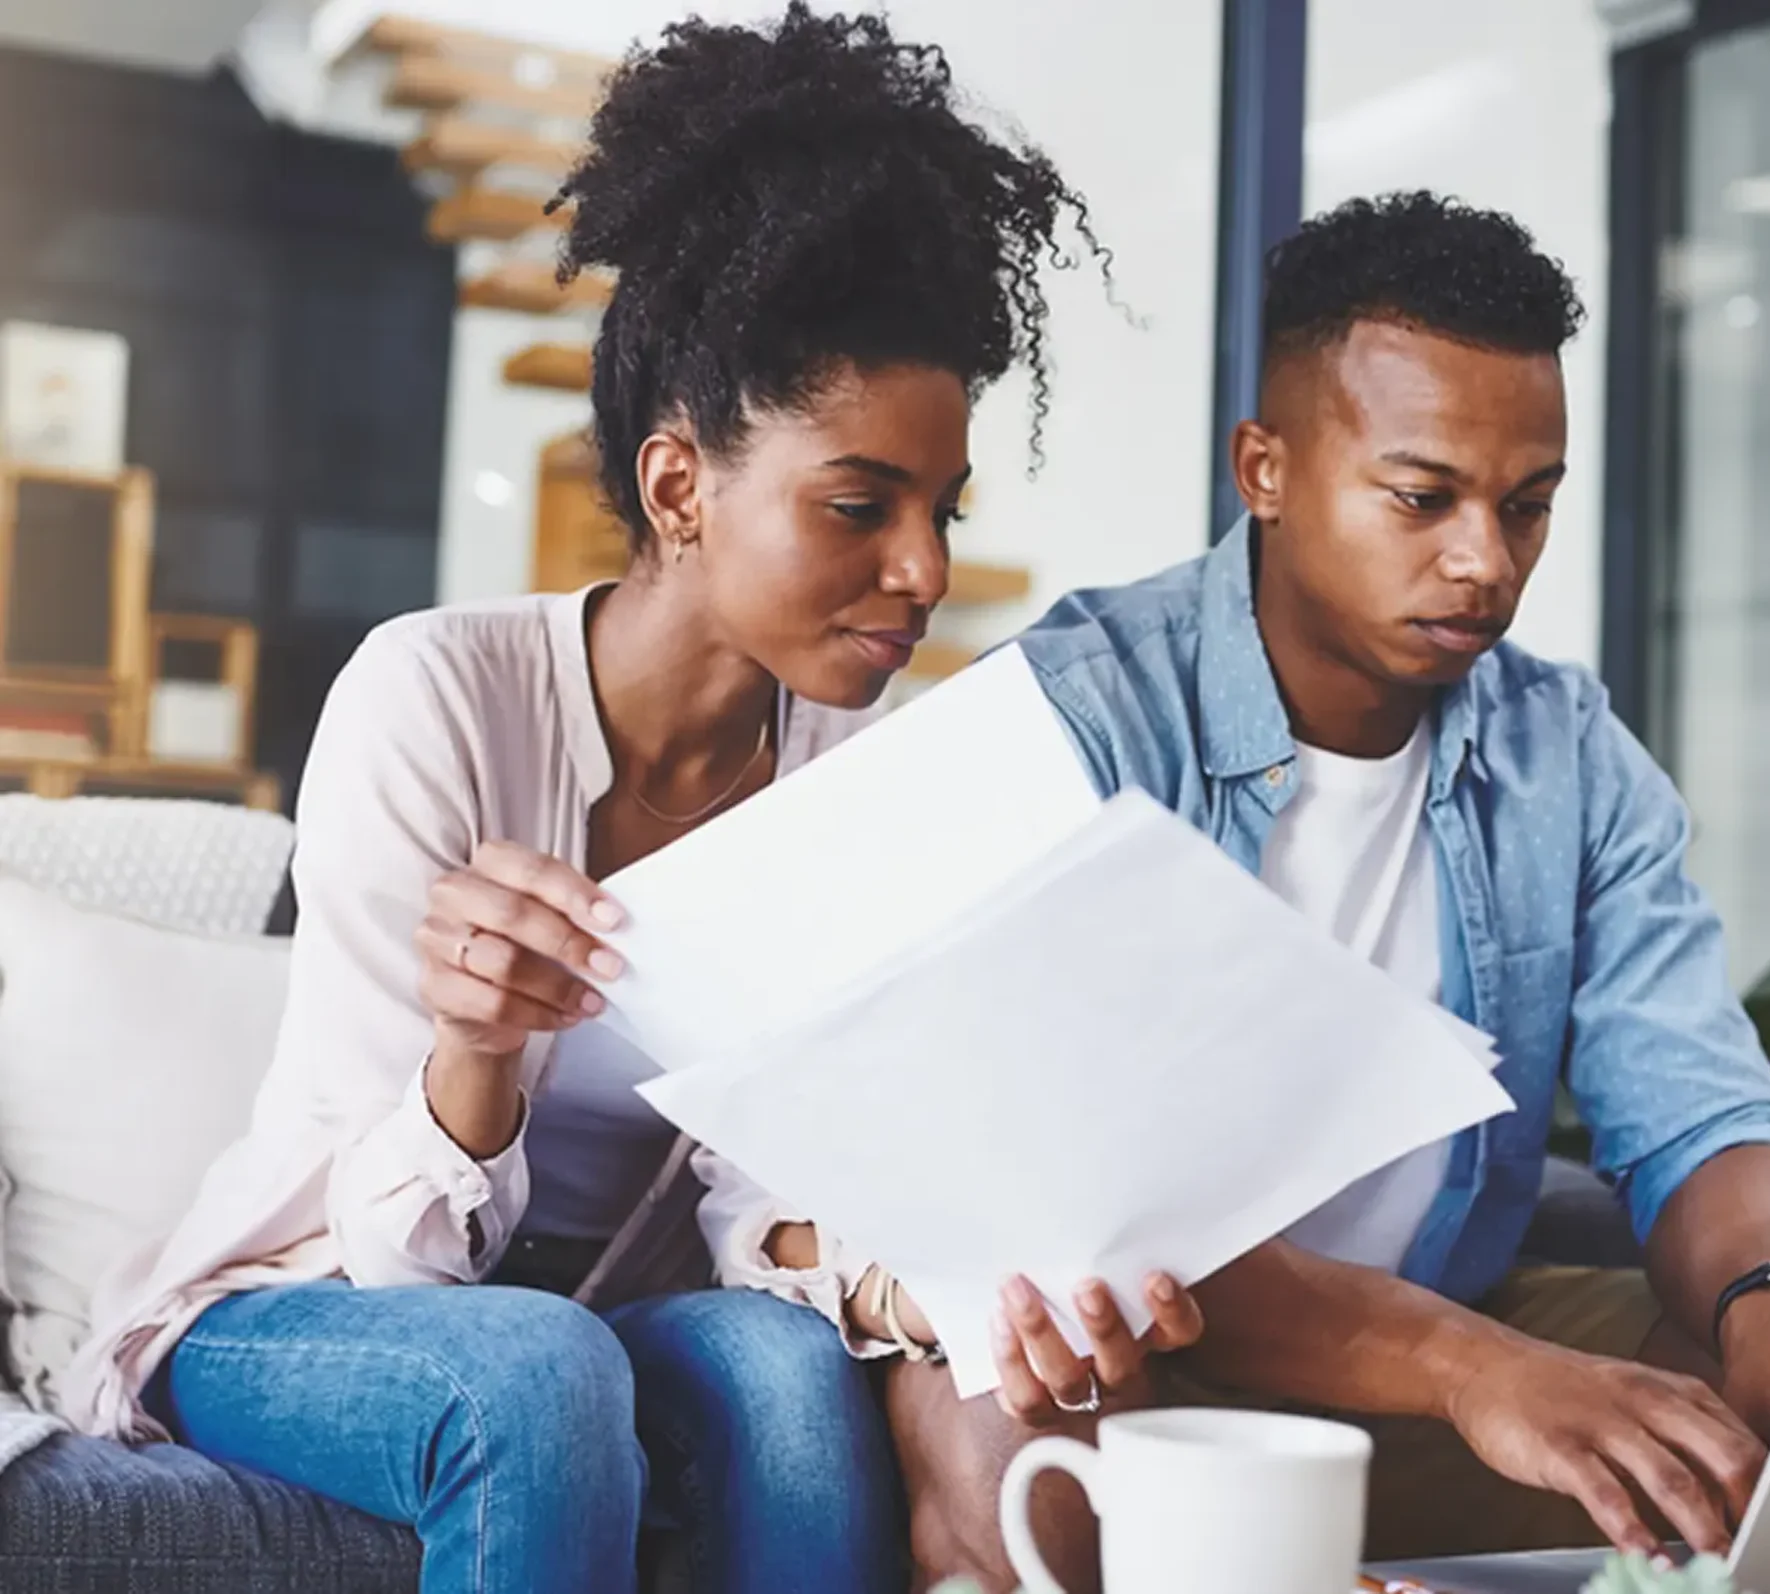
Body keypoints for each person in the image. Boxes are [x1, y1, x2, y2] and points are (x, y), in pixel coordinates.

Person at [58, 10, 1198, 1593]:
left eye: (941, 511)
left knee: (789, 1387)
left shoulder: (853, 780)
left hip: (605, 1308)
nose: (924, 570)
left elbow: (765, 1202)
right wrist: (479, 1049)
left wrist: (912, 1290)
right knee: (534, 1373)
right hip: (309, 1298)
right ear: (678, 487)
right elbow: (399, 1258)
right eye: (860, 505)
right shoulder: (432, 696)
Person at [859, 192, 1770, 1589]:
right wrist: (1472, 1370)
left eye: (1528, 505)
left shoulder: (1564, 754)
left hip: (1439, 1346)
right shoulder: (1074, 724)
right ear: (1263, 466)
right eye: (1423, 495)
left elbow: (1702, 1112)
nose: (1486, 561)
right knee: (993, 1400)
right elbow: (1078, 1219)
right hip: (1149, 1364)